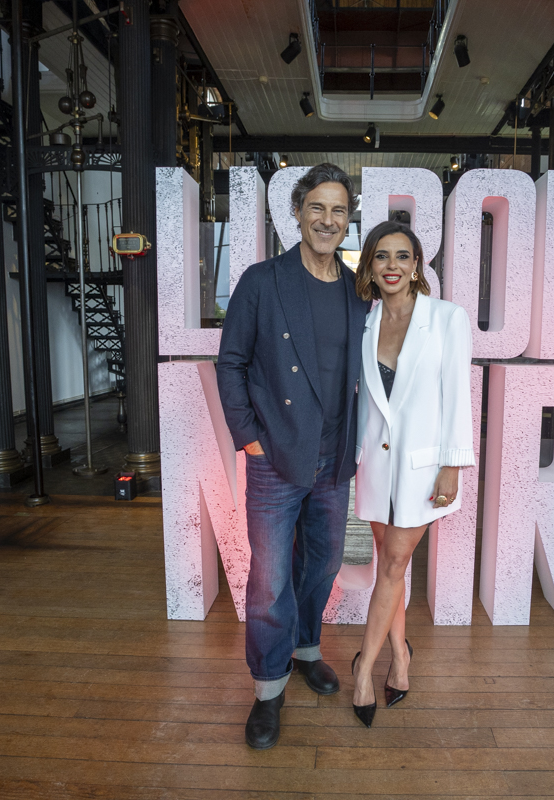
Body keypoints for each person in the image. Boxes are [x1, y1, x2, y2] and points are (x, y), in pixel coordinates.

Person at [216, 163, 371, 750]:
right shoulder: (263, 281)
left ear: (348, 220)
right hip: (275, 458)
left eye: (338, 210)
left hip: (334, 459)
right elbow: (231, 362)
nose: (328, 220)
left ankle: (306, 649)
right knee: (269, 580)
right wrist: (250, 438)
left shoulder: (356, 289)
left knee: (323, 565)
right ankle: (268, 688)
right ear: (298, 213)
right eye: (317, 208)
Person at [349, 220, 474, 728]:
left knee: (394, 565)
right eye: (382, 256)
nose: (392, 266)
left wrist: (453, 465)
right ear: (370, 265)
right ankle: (401, 656)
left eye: (402, 256)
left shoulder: (446, 318)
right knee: (390, 567)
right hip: (376, 466)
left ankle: (364, 670)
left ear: (418, 265)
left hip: (424, 470)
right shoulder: (364, 321)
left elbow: (457, 396)